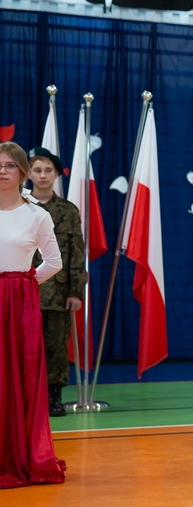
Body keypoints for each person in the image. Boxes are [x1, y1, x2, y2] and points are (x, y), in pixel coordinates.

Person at [0, 141, 66, 488]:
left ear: (22, 171)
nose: (2, 171)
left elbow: (54, 262)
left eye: (10, 165)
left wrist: (22, 283)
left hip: (17, 303)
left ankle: (22, 455)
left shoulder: (37, 215)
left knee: (19, 377)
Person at [26, 148, 85, 417]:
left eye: (48, 170)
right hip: (23, 289)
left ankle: (53, 396)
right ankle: (24, 396)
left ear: (57, 174)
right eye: (37, 170)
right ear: (28, 173)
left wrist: (75, 291)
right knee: (23, 345)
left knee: (56, 346)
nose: (43, 176)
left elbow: (76, 252)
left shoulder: (68, 211)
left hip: (58, 293)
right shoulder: (18, 207)